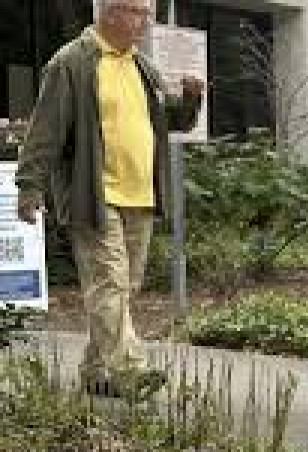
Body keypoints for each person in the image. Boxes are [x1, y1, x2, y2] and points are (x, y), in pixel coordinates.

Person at [16, 0, 203, 399]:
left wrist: (189, 101)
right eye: (138, 12)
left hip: (141, 195)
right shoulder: (71, 63)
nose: (146, 22)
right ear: (110, 14)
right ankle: (131, 370)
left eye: (148, 13)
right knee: (110, 283)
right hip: (94, 196)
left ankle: (95, 369)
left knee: (124, 287)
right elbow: (44, 130)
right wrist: (30, 185)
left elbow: (171, 124)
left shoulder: (142, 66)